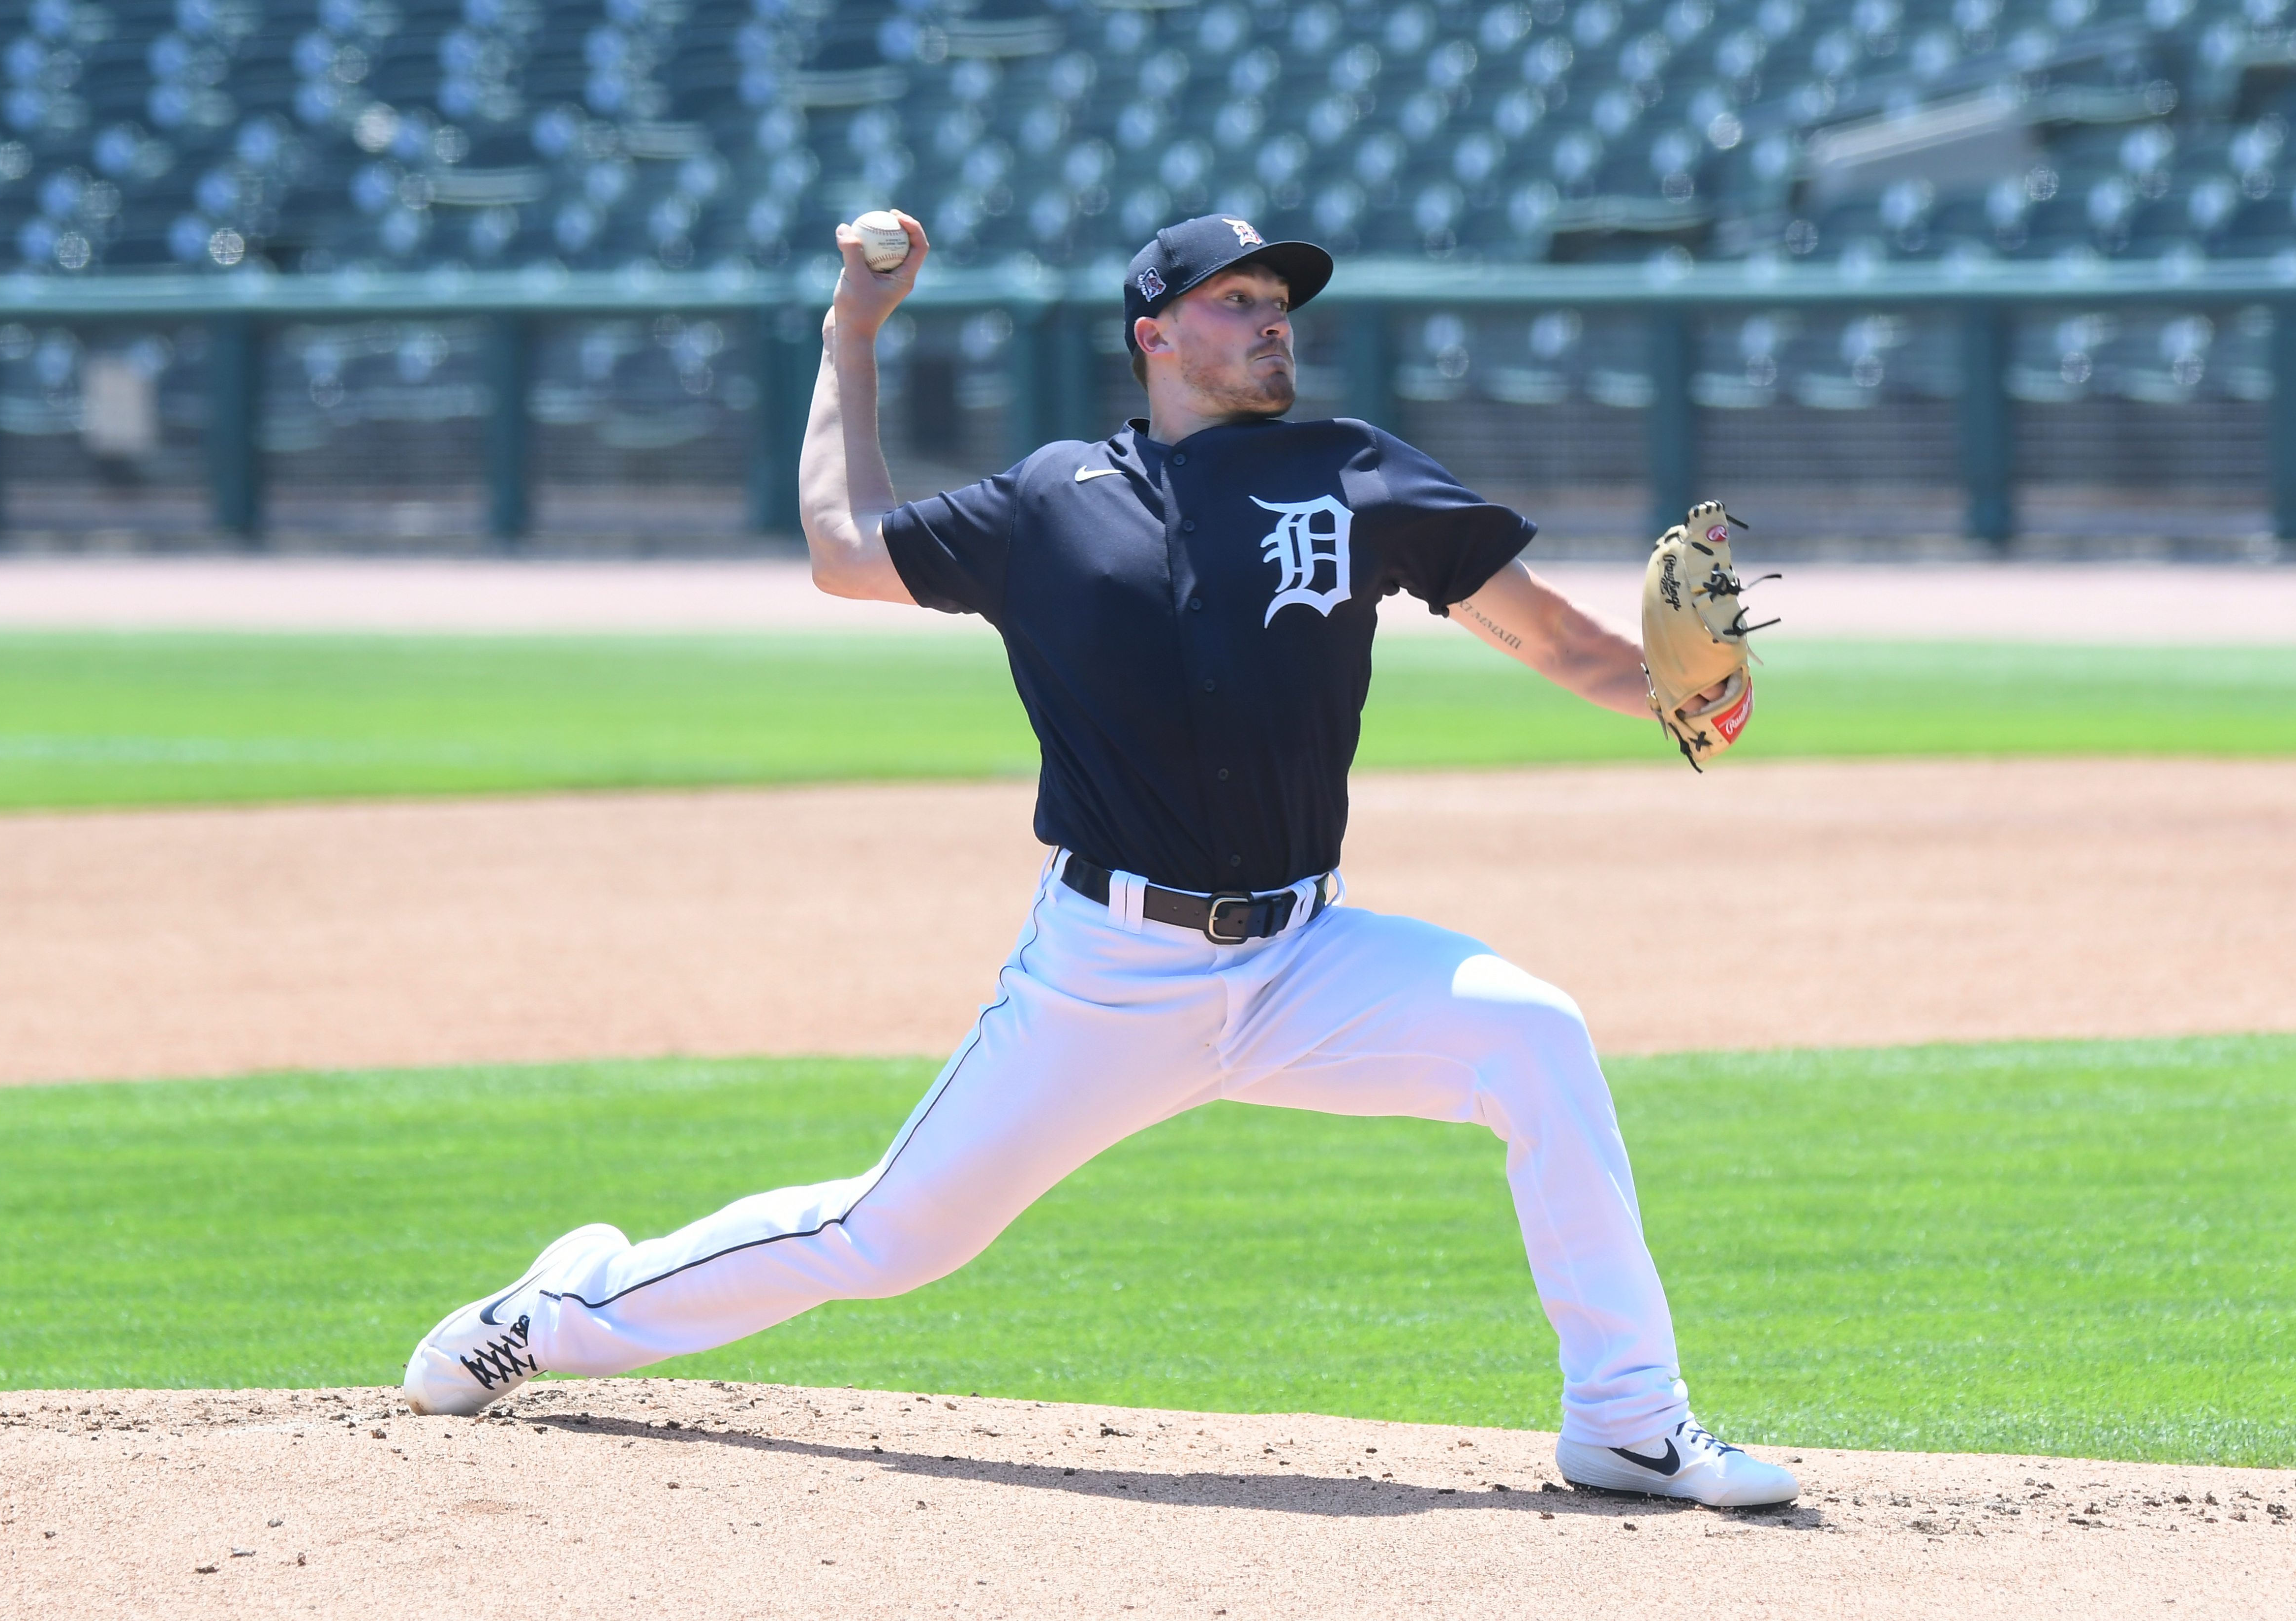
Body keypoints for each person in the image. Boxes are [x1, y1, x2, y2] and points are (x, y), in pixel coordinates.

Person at [400, 211, 1797, 1507]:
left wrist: (1684, 692)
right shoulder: (1051, 501)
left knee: (1533, 1038)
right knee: (889, 1239)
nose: (1271, 322)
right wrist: (854, 332)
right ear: (1153, 333)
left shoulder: (1351, 469)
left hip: (1309, 954)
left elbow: (1556, 641)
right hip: (1110, 974)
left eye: (1280, 302)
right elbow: (841, 548)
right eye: (1234, 300)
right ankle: (557, 1314)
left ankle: (1623, 1418)